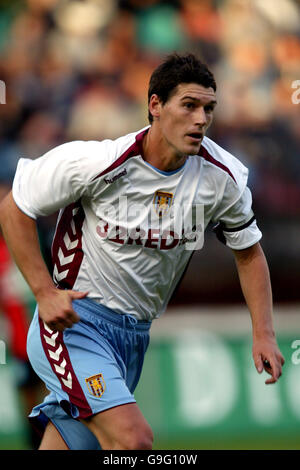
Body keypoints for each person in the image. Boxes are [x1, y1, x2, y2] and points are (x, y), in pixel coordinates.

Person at [0, 53, 285, 450]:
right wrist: (44, 292)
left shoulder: (223, 179)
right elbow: (15, 206)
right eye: (189, 105)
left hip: (133, 337)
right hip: (74, 325)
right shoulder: (98, 162)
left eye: (209, 108)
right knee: (134, 441)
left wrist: (264, 333)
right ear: (155, 105)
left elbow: (249, 253)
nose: (201, 119)